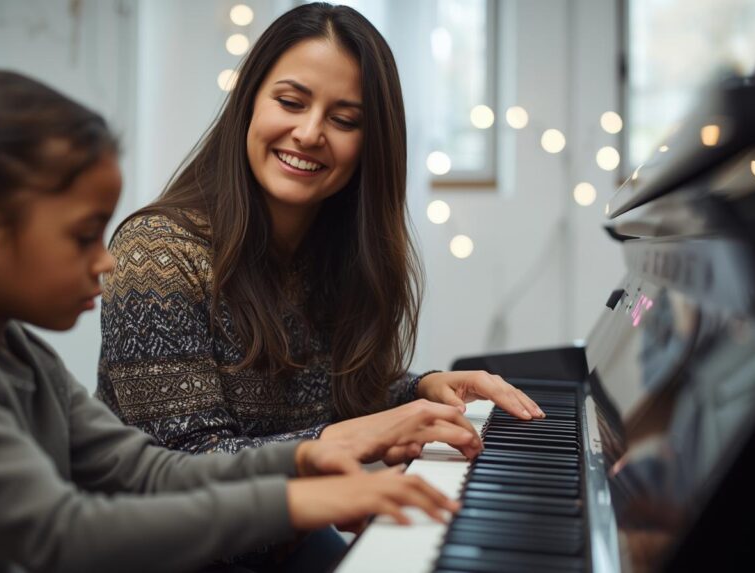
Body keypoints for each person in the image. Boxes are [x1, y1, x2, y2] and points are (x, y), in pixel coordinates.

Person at [0, 70, 479, 573]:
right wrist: (299, 501)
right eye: (83, 236)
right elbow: (62, 534)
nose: (107, 262)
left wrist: (302, 456)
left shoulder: (19, 352)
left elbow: (143, 468)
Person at [97, 2, 544, 458]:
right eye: (290, 102)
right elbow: (185, 462)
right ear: (250, 99)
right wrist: (354, 438)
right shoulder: (155, 253)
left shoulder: (335, 249)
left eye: (344, 120)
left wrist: (420, 389)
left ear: (370, 144)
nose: (310, 133)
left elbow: (333, 397)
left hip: (287, 524)